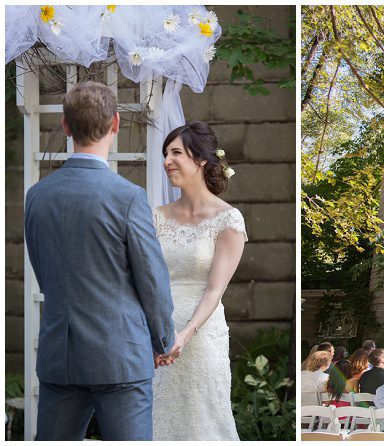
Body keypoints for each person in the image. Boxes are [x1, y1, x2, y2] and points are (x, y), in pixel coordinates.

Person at [25, 82, 177, 441]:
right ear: (116, 123)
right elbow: (152, 279)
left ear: (64, 125)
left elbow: (44, 272)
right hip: (120, 356)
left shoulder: (37, 196)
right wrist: (163, 339)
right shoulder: (127, 197)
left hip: (60, 356)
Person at [145, 120, 249, 440]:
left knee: (200, 419)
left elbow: (214, 289)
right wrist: (152, 331)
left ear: (201, 160)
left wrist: (184, 335)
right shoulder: (156, 216)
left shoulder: (228, 220)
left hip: (200, 335)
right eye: (165, 154)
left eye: (176, 152)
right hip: (156, 335)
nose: (167, 161)